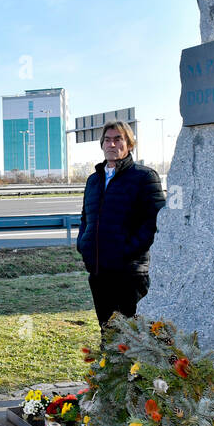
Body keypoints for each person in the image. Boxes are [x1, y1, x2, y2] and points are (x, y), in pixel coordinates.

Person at [75, 121, 166, 329]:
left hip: (130, 273)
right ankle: (110, 362)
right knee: (108, 333)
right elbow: (85, 218)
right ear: (102, 144)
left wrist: (126, 251)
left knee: (135, 336)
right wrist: (83, 244)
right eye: (107, 139)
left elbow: (155, 222)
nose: (112, 144)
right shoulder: (93, 180)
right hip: (99, 271)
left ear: (129, 144)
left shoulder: (144, 177)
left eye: (118, 139)